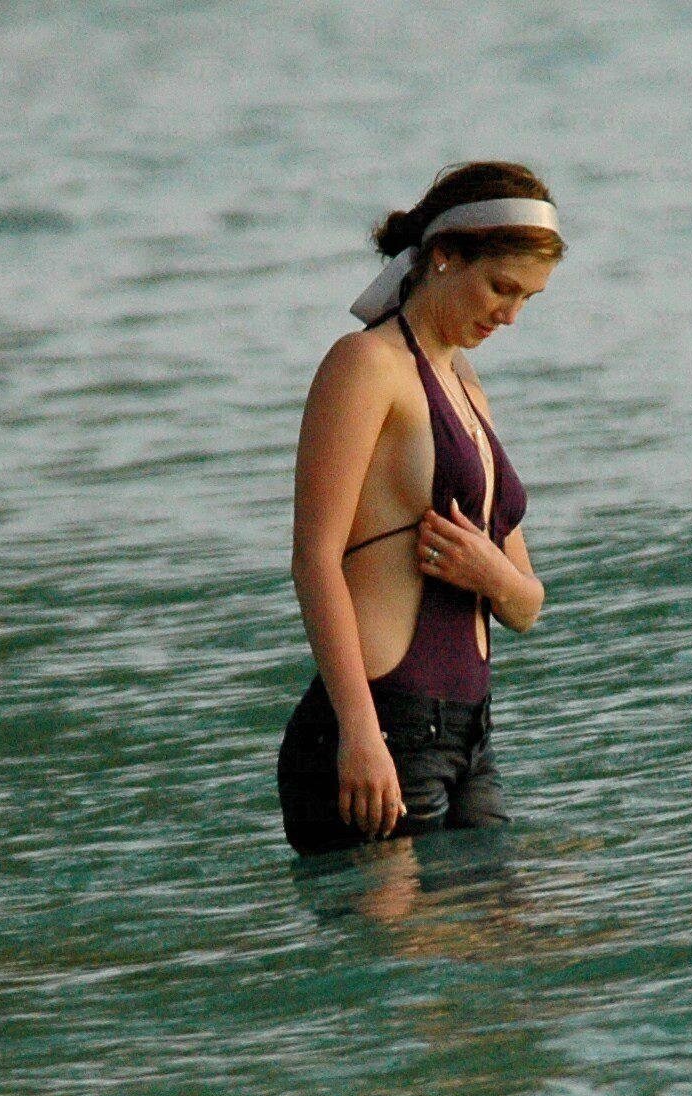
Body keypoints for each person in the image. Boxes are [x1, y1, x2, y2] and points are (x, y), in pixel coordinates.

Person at [278, 160, 565, 856]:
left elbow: (527, 605)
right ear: (444, 256)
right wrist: (360, 734)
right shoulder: (363, 366)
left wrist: (491, 576)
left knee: (513, 919)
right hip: (381, 730)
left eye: (527, 298)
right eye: (501, 288)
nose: (510, 315)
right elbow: (314, 560)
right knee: (412, 933)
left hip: (470, 739)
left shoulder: (468, 387)